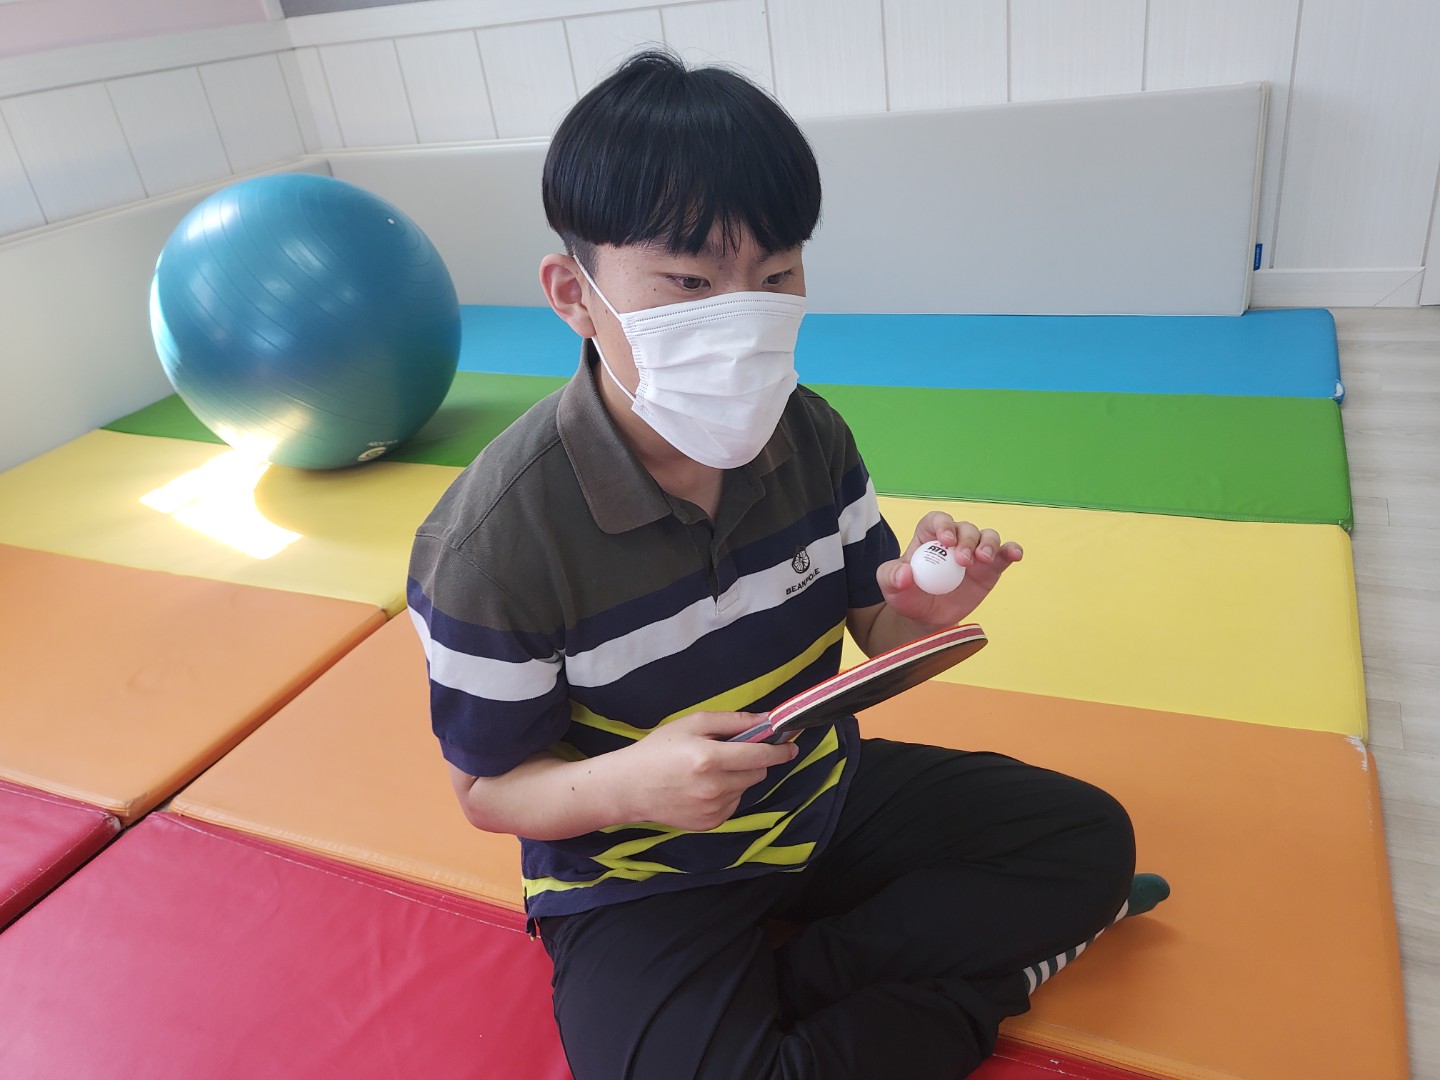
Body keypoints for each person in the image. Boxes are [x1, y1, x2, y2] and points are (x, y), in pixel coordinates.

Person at [408, 50, 1165, 1080]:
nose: (742, 317)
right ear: (574, 295)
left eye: (775, 278)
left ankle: (803, 982)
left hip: (819, 794)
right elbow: (490, 792)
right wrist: (635, 782)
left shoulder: (809, 436)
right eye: (688, 281)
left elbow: (873, 634)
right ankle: (976, 987)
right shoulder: (495, 542)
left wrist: (921, 611)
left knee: (1088, 841)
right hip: (640, 864)